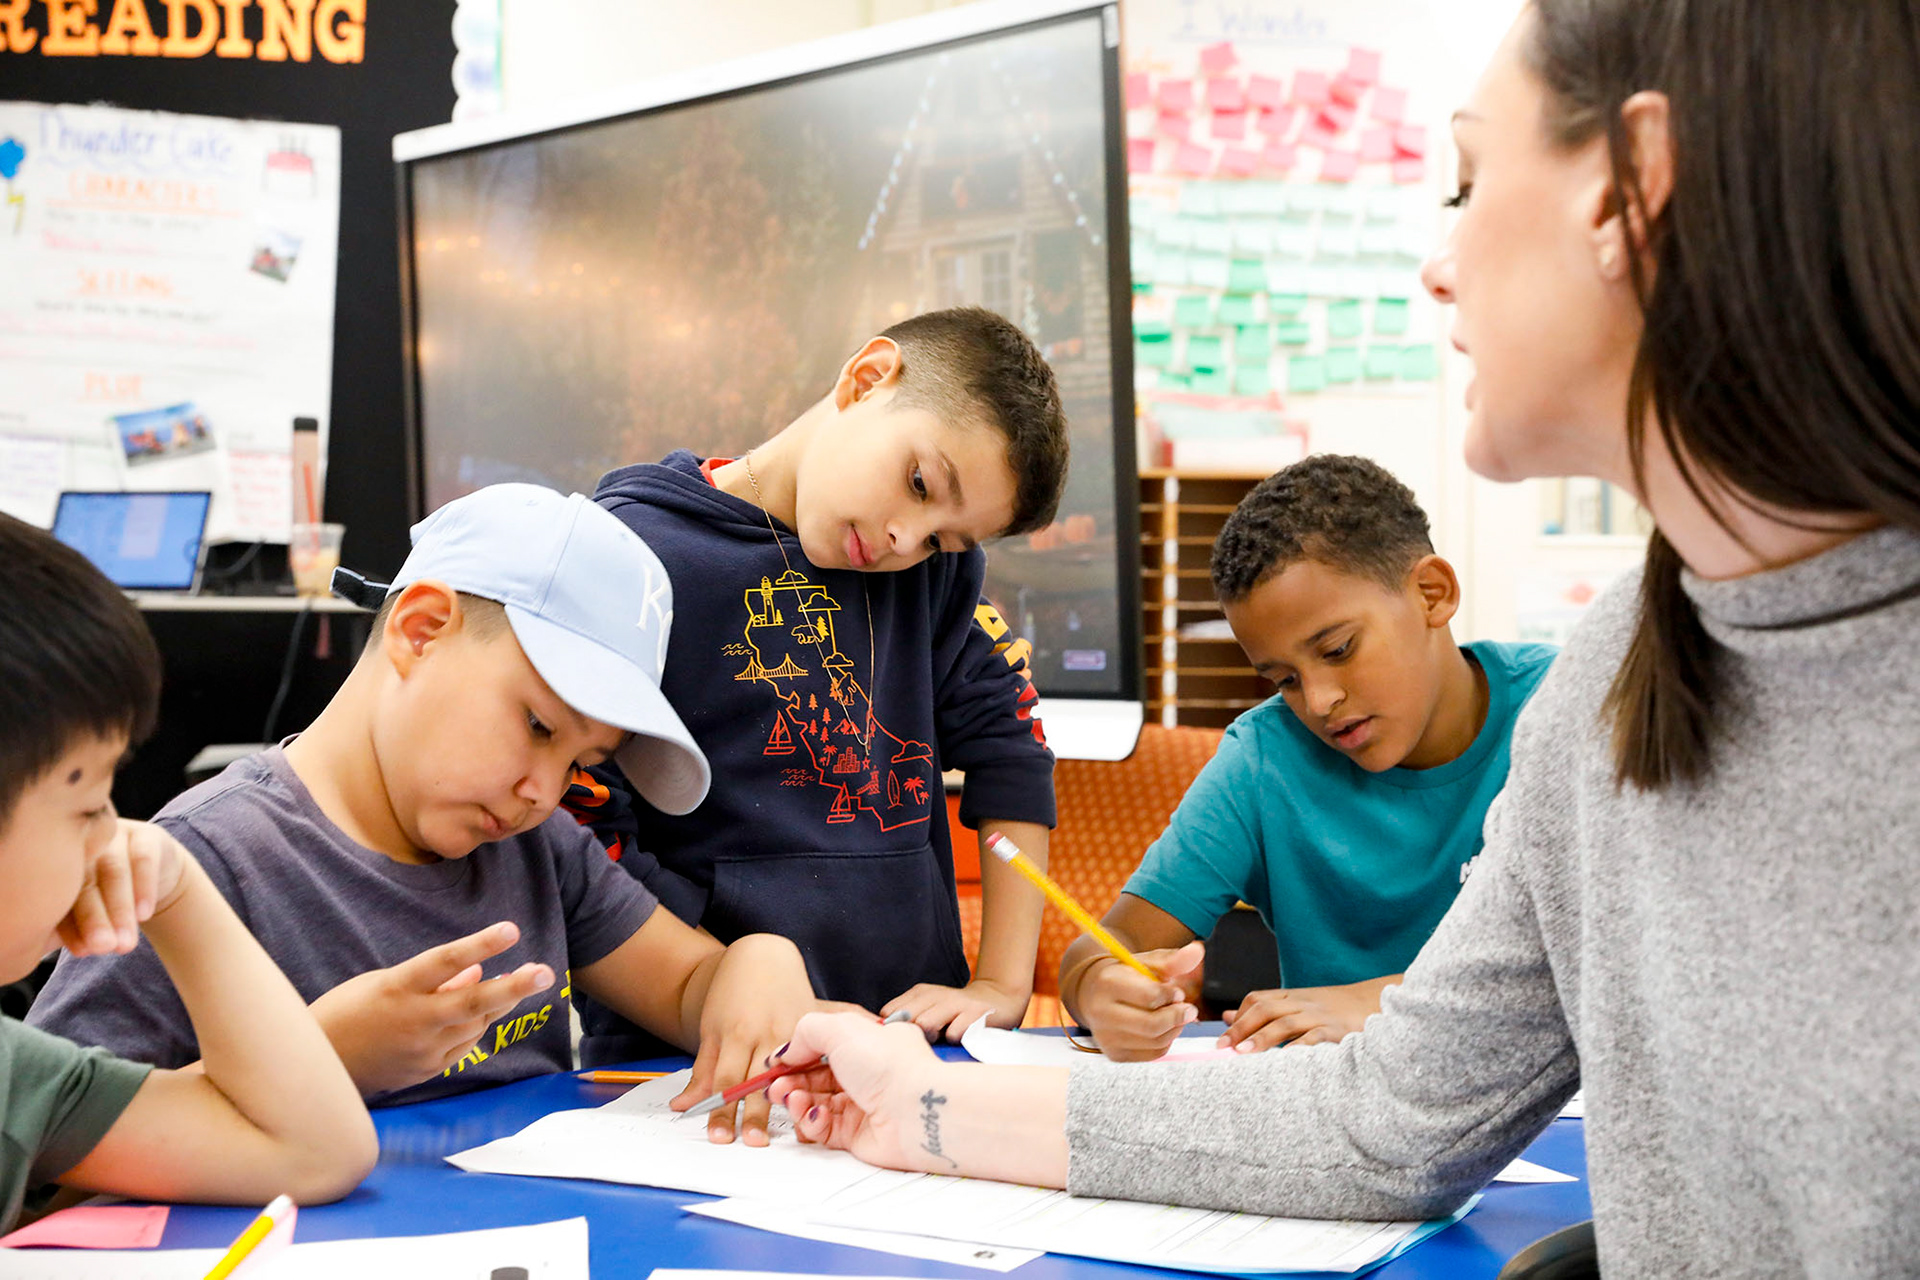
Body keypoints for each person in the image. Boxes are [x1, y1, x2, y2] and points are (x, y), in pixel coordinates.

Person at [764, 1, 1920, 1271]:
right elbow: (1389, 1121)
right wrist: (918, 1102)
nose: (1439, 262)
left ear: (1634, 191)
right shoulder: (1615, 682)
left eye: (1469, 180)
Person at [32, 485, 820, 1144]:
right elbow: (48, 1136)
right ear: (420, 630)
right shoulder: (193, 865)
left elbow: (687, 986)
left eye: (581, 763)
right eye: (540, 726)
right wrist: (323, 1056)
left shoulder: (540, 848)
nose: (545, 792)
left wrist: (754, 960)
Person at [565, 306, 1068, 1060]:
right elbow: (591, 836)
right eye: (920, 482)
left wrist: (999, 987)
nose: (907, 539)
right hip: (701, 1056)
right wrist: (711, 988)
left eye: (943, 538)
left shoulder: (935, 579)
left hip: (909, 1049)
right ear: (867, 379)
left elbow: (1014, 750)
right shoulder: (630, 556)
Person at [1060, 455, 1555, 1060]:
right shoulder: (1264, 762)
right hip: (1343, 1120)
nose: (1319, 702)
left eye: (1339, 649)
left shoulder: (1563, 711)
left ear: (1432, 594)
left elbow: (1618, 958)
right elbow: (1106, 945)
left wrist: (1381, 1002)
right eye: (1283, 680)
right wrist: (1100, 990)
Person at [0, 514, 372, 1230]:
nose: (114, 833)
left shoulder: (13, 1071)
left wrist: (177, 889)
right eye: (86, 806)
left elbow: (316, 1153)